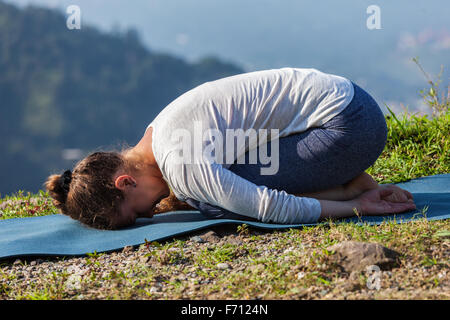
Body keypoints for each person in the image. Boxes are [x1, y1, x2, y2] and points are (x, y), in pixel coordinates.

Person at [45, 67, 416, 229]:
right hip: (350, 103)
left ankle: (351, 186)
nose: (148, 216)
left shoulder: (181, 163)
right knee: (212, 190)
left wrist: (356, 207)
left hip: (348, 126)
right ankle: (345, 179)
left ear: (125, 182)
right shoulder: (158, 131)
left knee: (216, 198)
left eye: (135, 215)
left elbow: (271, 207)